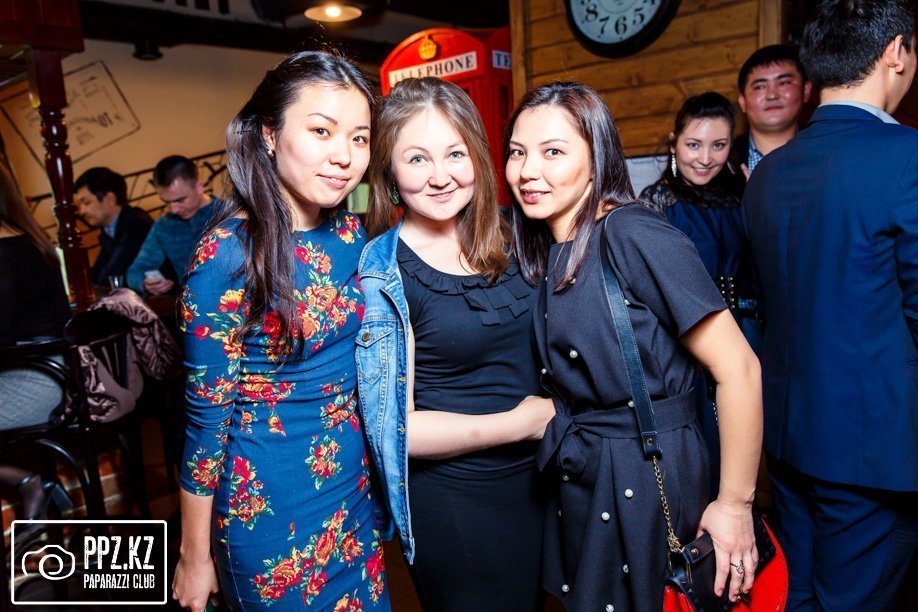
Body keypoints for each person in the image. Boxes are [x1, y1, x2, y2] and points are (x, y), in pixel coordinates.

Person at [505, 81, 763, 612]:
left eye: (553, 152)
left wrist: (735, 504)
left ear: (597, 157)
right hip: (587, 469)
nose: (528, 170)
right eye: (517, 152)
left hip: (647, 471)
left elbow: (739, 368)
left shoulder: (631, 232)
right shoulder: (551, 245)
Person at [171, 51, 389, 612]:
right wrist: (194, 556)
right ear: (269, 134)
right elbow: (205, 420)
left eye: (360, 138)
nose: (344, 156)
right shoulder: (227, 254)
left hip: (353, 495)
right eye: (321, 131)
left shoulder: (352, 233)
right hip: (270, 514)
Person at [742, 1, 917, 609]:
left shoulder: (769, 174)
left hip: (789, 438)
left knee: (798, 596)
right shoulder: (906, 158)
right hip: (876, 449)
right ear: (895, 52)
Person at [358, 77, 554, 612]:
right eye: (417, 159)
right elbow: (394, 429)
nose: (441, 176)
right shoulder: (384, 272)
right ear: (389, 172)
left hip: (545, 483)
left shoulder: (522, 232)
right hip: (456, 502)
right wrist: (520, 423)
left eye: (455, 154)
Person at [641, 92, 760, 491]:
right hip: (686, 341)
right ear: (674, 143)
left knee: (747, 448)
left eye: (718, 145)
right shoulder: (656, 202)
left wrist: (760, 201)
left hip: (747, 331)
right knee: (700, 455)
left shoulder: (739, 196)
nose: (706, 158)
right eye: (694, 144)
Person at [0, 164, 73, 522]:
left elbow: (2, 337)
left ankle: (26, 481)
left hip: (38, 380)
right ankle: (32, 481)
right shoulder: (28, 238)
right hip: (53, 372)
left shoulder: (4, 251)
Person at [126, 155, 221, 295]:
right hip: (191, 304)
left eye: (180, 200)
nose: (173, 209)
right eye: (167, 202)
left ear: (199, 187)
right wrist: (145, 282)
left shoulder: (231, 215)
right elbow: (135, 271)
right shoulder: (164, 225)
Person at [735, 44, 811, 177]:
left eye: (784, 83)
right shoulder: (720, 161)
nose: (772, 95)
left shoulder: (828, 154)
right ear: (743, 102)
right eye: (759, 87)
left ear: (806, 90)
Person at [74, 166, 153, 286]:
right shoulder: (108, 229)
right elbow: (98, 273)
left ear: (110, 199)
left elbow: (113, 274)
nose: (82, 211)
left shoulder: (136, 224)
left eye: (86, 202)